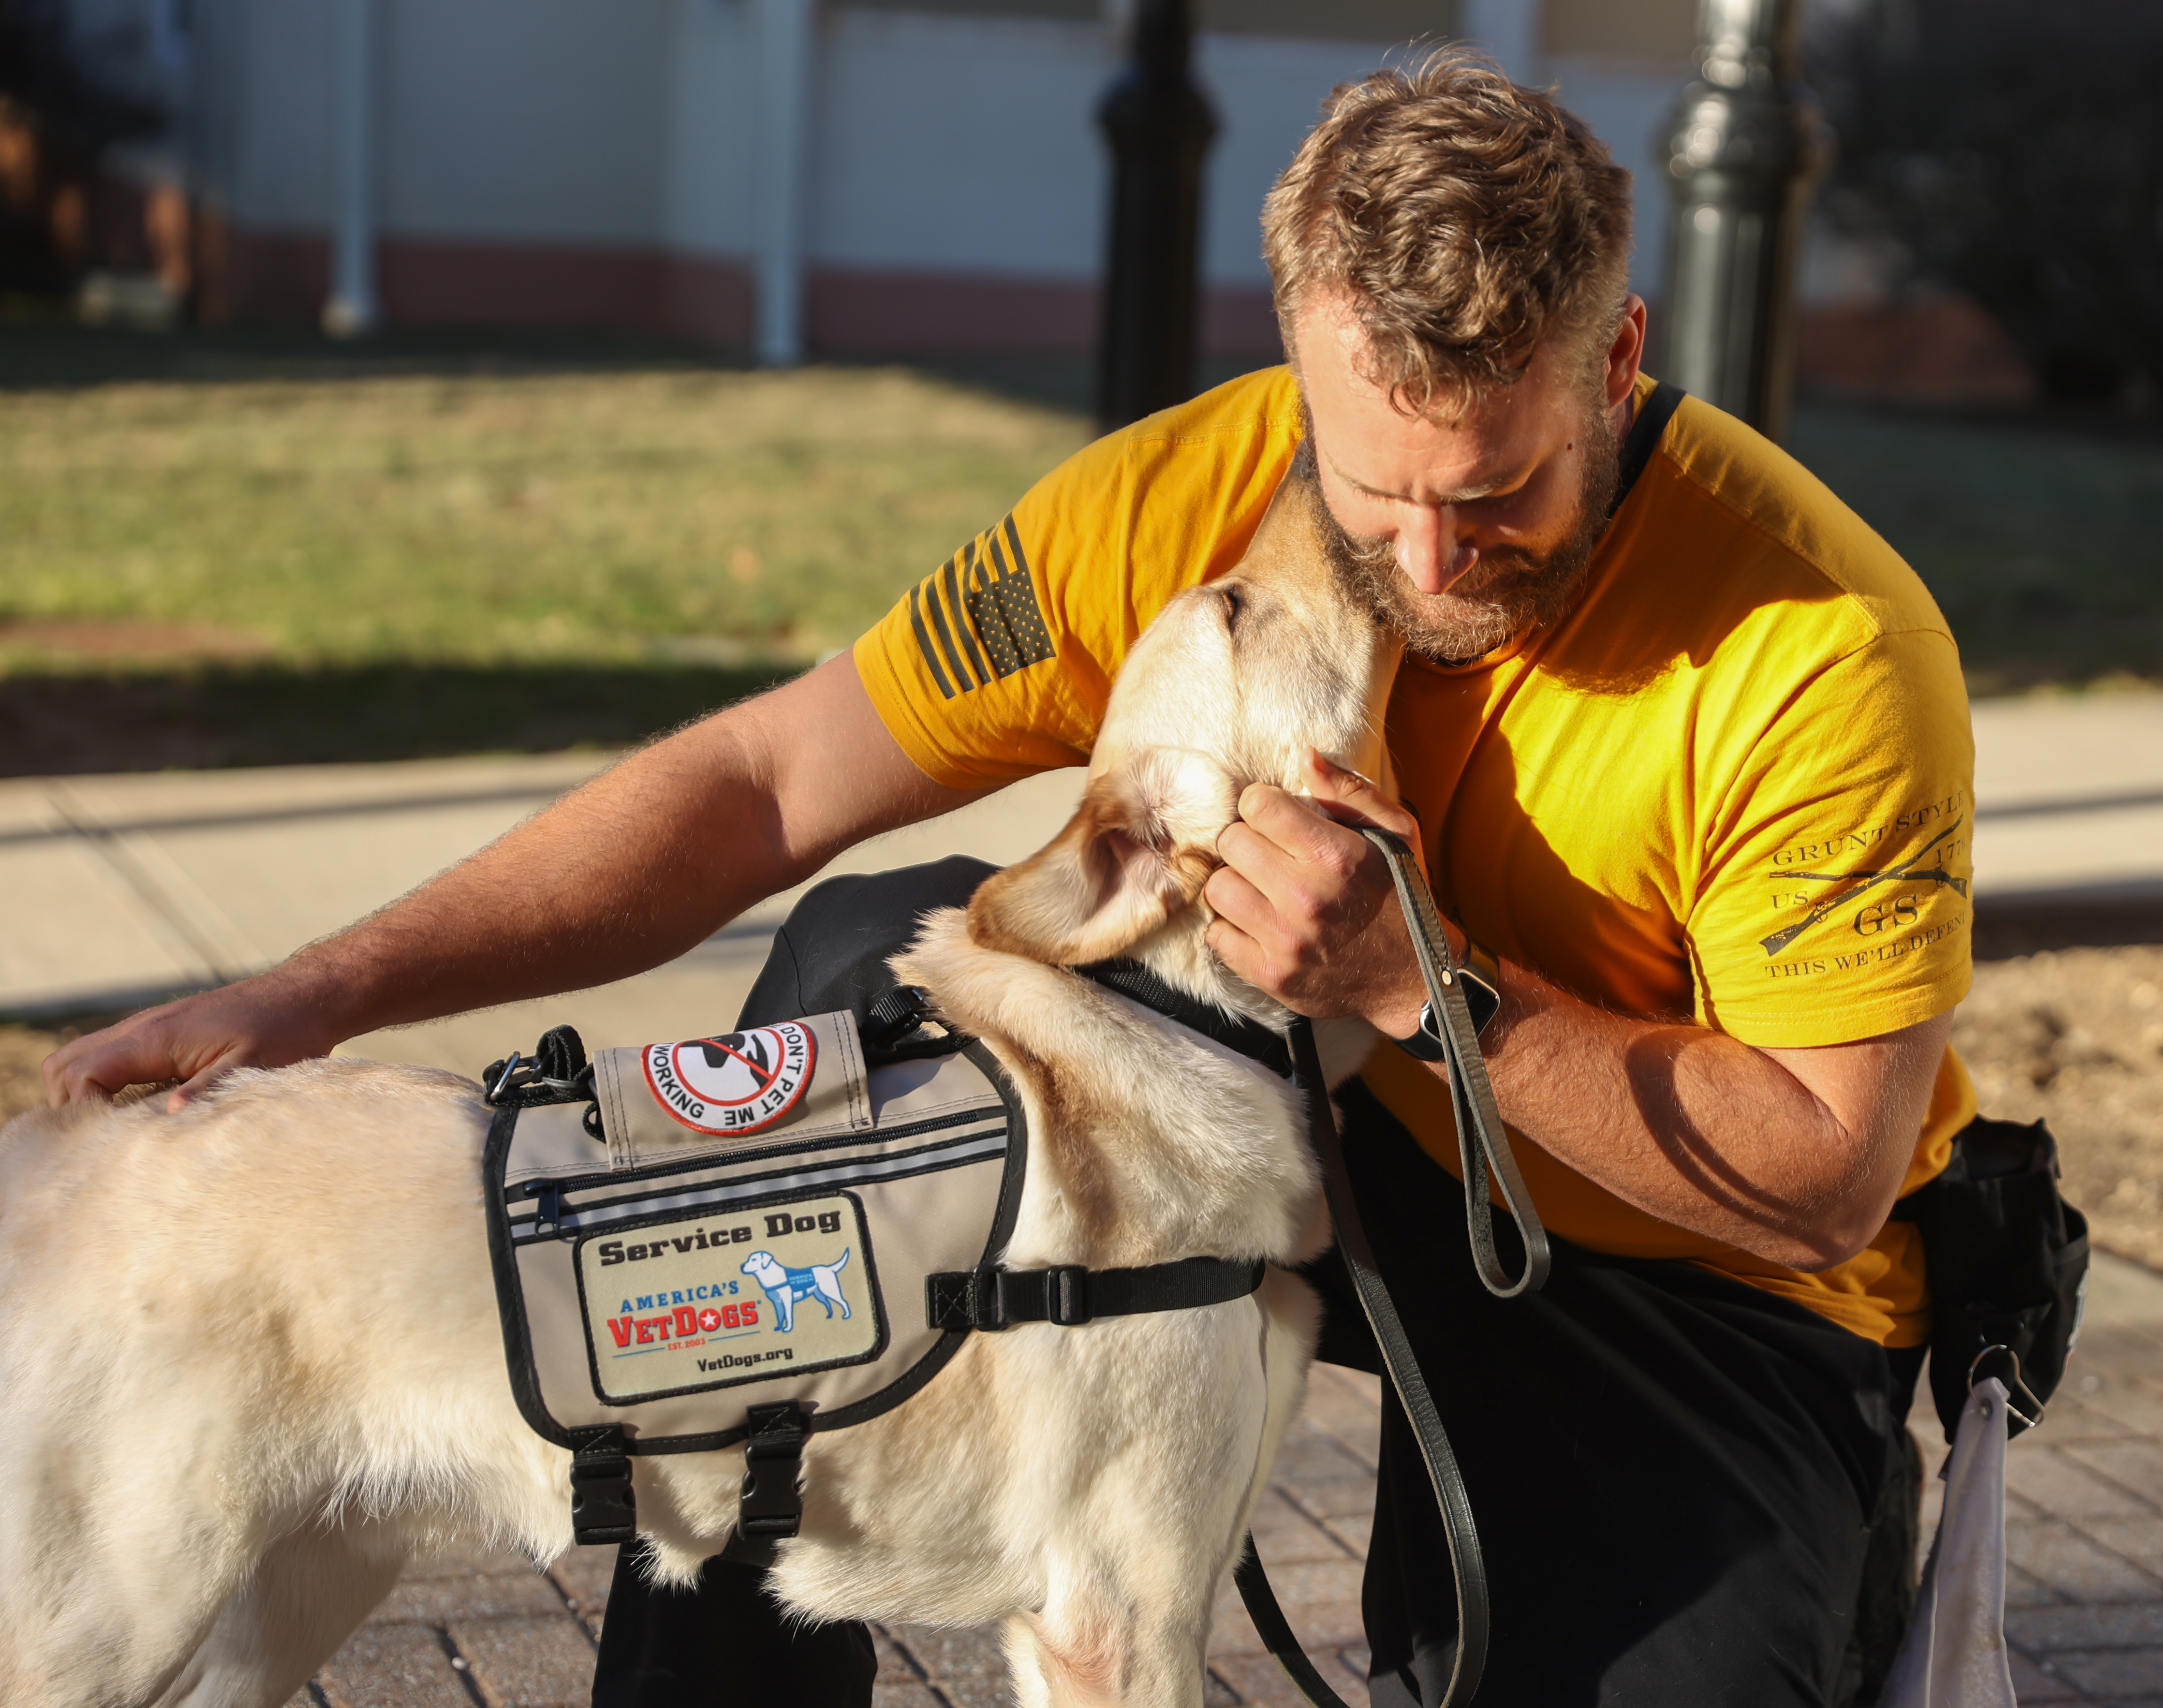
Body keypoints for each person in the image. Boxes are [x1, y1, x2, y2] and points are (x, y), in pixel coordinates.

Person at [46, 55, 1972, 1708]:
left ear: (1619, 362)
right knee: (853, 956)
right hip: (1293, 1124)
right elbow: (758, 782)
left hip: (1675, 1267)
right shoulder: (1195, 507)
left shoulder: (1820, 643)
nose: (1427, 556)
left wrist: (1417, 988)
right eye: (1374, 486)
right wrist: (315, 996)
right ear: (1297, 352)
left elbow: (1820, 1174)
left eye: (1501, 494)